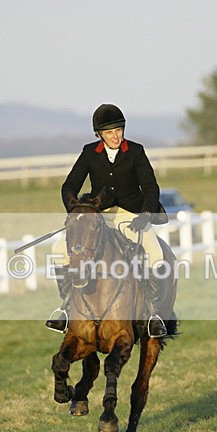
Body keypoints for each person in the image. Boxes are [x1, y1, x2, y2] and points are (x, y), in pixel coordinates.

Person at [45, 103, 170, 337]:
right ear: (99, 134)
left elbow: (151, 187)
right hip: (99, 215)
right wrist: (75, 213)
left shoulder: (135, 151)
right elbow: (69, 186)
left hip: (130, 215)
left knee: (155, 251)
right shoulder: (89, 152)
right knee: (59, 248)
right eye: (110, 132)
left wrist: (145, 215)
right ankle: (66, 309)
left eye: (119, 130)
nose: (115, 135)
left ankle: (153, 314)